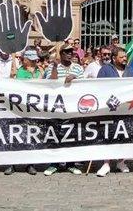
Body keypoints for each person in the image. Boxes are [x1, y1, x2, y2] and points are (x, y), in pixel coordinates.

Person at [43, 46, 84, 176]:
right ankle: (54, 164)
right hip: (56, 106)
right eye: (67, 52)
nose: (70, 54)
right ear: (61, 54)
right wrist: (55, 67)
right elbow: (50, 83)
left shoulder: (78, 68)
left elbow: (85, 84)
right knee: (56, 134)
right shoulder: (51, 66)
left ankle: (70, 164)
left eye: (71, 52)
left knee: (71, 134)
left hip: (72, 107)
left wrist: (74, 77)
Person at [96, 47, 133, 176]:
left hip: (126, 109)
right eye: (122, 57)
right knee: (108, 134)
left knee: (124, 135)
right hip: (109, 108)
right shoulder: (105, 70)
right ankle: (106, 163)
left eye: (125, 56)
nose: (125, 58)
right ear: (114, 58)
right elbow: (98, 87)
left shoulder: (132, 71)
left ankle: (121, 161)